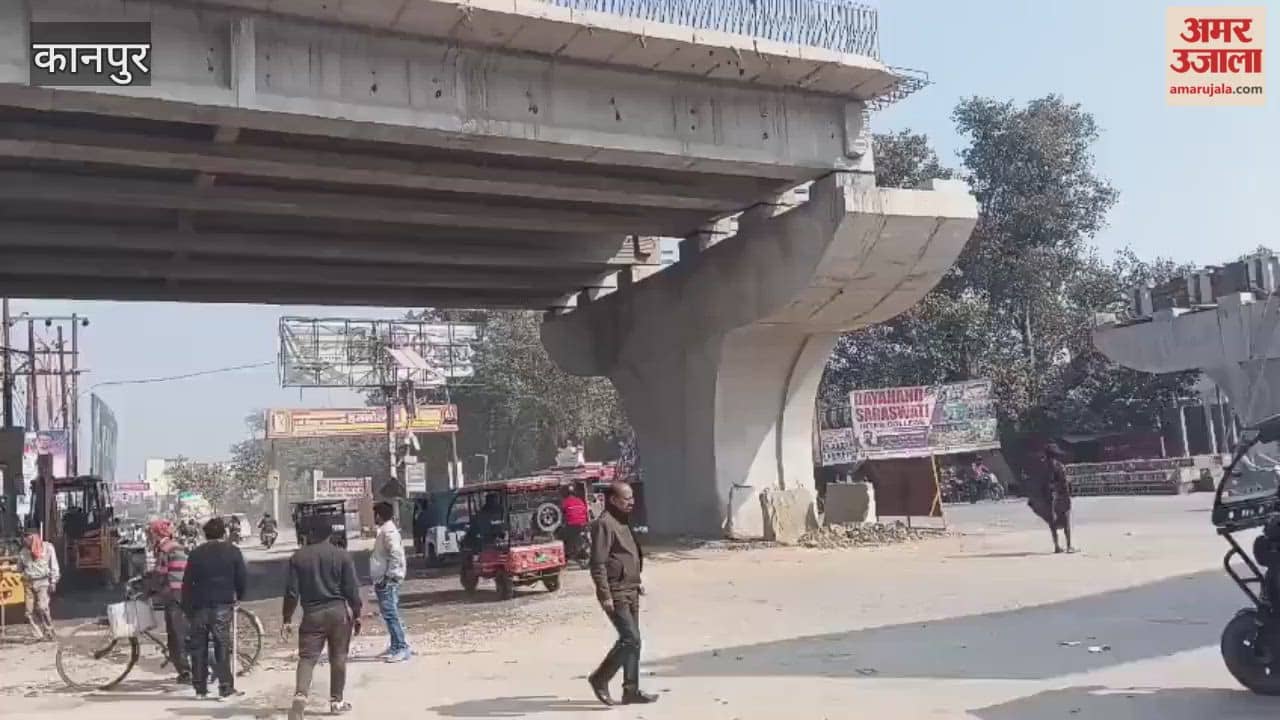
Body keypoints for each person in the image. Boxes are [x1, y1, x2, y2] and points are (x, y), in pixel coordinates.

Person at [283, 521, 363, 719]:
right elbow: (351, 589)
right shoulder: (342, 555)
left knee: (307, 658)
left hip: (312, 615)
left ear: (310, 534)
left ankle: (300, 696)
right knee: (338, 657)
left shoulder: (298, 557)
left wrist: (286, 619)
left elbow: (292, 593)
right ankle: (337, 702)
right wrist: (357, 612)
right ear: (330, 535)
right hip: (338, 614)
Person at [587, 481, 657, 706]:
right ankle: (600, 678)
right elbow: (597, 563)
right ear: (614, 500)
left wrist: (636, 579)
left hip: (630, 588)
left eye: (632, 497)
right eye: (627, 499)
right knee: (630, 638)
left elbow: (627, 554)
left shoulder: (623, 521)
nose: (632, 502)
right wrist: (604, 594)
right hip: (615, 591)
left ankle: (631, 690)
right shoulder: (604, 524)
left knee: (634, 642)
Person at [182, 516, 248, 699]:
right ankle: (225, 687)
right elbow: (241, 578)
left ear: (205, 534)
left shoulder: (196, 553)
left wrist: (187, 607)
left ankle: (200, 689)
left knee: (199, 648)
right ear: (224, 532)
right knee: (222, 646)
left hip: (199, 606)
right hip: (222, 605)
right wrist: (239, 598)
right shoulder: (233, 551)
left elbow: (187, 583)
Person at [148, 519, 193, 684]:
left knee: (176, 635)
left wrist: (148, 588)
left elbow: (160, 573)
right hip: (184, 591)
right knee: (179, 632)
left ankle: (186, 672)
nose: (150, 536)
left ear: (157, 533)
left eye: (151, 532)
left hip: (176, 594)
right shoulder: (174, 545)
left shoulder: (165, 548)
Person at [370, 502, 410, 662]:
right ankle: (395, 646)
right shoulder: (385, 530)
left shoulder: (388, 531)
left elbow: (396, 555)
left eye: (375, 515)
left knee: (391, 614)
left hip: (388, 580)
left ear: (379, 515)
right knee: (390, 614)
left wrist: (390, 576)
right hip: (385, 579)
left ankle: (401, 647)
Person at [16, 530, 59, 641]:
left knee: (43, 608)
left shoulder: (47, 548)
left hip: (43, 582)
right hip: (29, 583)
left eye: (29, 538)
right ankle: (38, 635)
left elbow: (54, 565)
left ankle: (49, 631)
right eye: (25, 538)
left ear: (34, 537)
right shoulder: (23, 552)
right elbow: (19, 569)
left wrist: (53, 581)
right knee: (29, 612)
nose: (27, 541)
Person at [1044, 444, 1076, 554]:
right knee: (1066, 519)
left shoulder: (1043, 467)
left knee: (1052, 522)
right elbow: (1063, 483)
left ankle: (1057, 546)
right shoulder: (1059, 466)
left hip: (1048, 497)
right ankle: (1069, 546)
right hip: (1061, 496)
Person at [560, 485, 590, 559]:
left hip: (572, 525)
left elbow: (561, 513)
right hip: (583, 525)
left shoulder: (565, 501)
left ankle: (567, 554)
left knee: (561, 536)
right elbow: (585, 511)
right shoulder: (580, 500)